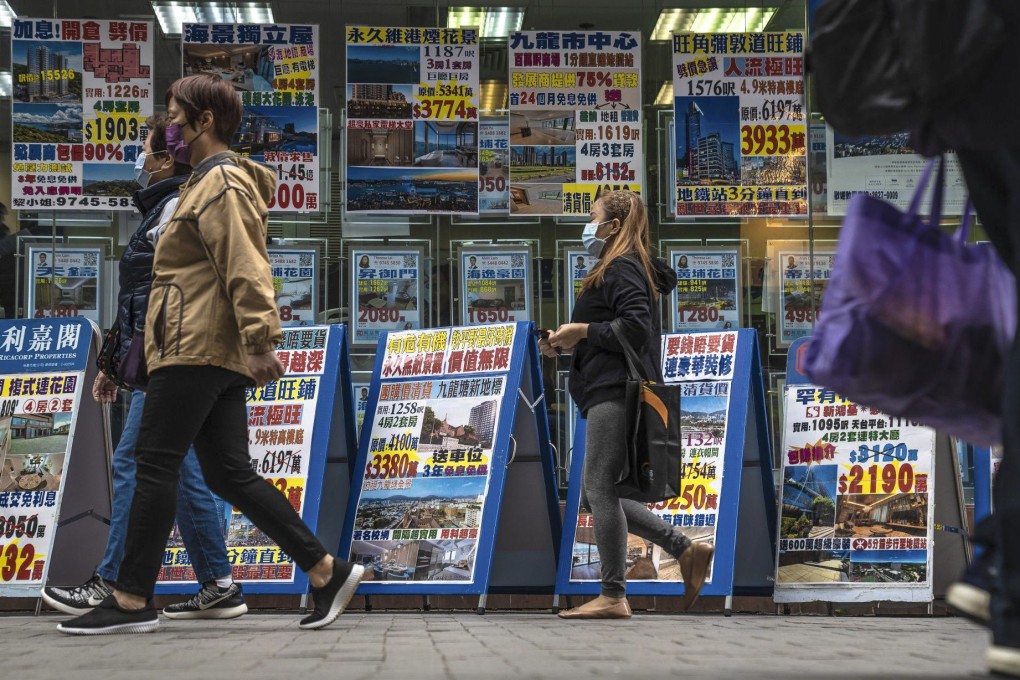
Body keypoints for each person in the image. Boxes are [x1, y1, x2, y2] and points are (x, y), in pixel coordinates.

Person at [57, 74, 364, 636]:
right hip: (197, 345)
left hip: (196, 347)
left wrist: (261, 340)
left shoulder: (220, 181)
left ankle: (129, 599)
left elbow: (246, 265)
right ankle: (327, 570)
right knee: (228, 474)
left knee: (153, 463)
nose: (168, 128)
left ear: (205, 122)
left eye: (176, 117)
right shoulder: (203, 182)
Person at [41, 114, 247, 621]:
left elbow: (162, 296)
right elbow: (139, 298)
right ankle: (219, 584)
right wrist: (115, 362)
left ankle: (115, 583)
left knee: (136, 462)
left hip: (173, 356)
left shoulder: (179, 206)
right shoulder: (164, 208)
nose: (140, 160)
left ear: (167, 158)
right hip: (167, 355)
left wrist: (122, 361)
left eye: (147, 151)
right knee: (185, 468)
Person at [539, 190, 714, 619]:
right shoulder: (623, 266)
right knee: (596, 493)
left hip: (614, 390)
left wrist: (582, 331)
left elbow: (635, 326)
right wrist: (568, 343)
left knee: (598, 488)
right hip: (608, 385)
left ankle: (614, 595)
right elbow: (617, 329)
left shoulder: (621, 267)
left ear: (613, 226)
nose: (589, 225)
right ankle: (683, 547)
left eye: (594, 216)